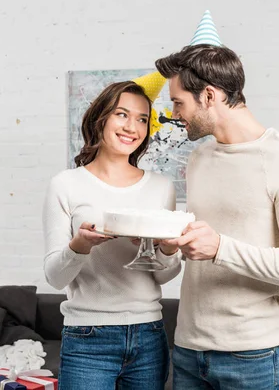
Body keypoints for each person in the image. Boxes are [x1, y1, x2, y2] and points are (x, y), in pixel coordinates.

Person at [154, 44, 279, 389]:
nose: (174, 114)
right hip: (188, 350)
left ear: (208, 95)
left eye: (178, 102)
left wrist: (220, 247)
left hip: (255, 356)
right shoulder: (199, 158)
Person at [42, 80, 182, 390]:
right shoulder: (65, 185)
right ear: (100, 118)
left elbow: (163, 276)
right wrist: (79, 245)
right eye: (122, 114)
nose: (132, 126)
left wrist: (168, 251)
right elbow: (55, 277)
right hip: (87, 336)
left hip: (149, 334)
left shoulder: (161, 188)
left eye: (142, 119)